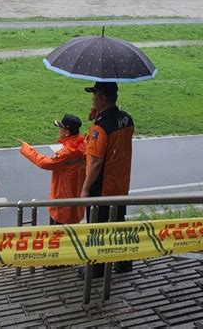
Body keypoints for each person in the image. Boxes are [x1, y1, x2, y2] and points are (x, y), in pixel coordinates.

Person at [81, 82, 134, 277]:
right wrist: (97, 117)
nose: (92, 98)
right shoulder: (127, 119)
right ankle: (124, 263)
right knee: (119, 224)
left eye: (94, 95)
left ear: (103, 98)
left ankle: (97, 268)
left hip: (102, 187)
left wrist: (85, 189)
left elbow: (95, 162)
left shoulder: (100, 127)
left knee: (98, 228)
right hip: (121, 184)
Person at [18, 114, 86, 226]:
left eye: (60, 128)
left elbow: (44, 163)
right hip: (78, 201)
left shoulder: (65, 153)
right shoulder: (84, 145)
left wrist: (26, 149)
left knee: (57, 233)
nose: (59, 130)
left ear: (66, 132)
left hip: (62, 204)